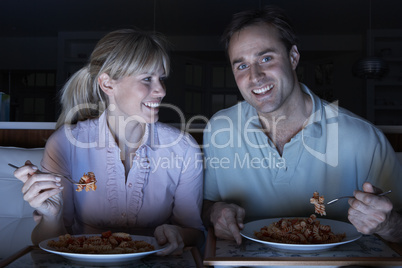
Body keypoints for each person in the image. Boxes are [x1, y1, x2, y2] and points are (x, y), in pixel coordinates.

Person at [202, 6, 402, 245]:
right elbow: (206, 206)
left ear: (293, 57)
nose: (255, 76)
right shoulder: (219, 129)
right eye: (241, 65)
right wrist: (215, 214)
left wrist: (388, 224)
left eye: (266, 58)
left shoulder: (364, 138)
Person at [14, 28, 204, 255]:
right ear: (107, 84)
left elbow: (195, 232)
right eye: (147, 79)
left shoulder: (183, 148)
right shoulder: (65, 144)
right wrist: (51, 217)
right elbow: (45, 244)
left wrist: (178, 234)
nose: (161, 90)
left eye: (161, 78)